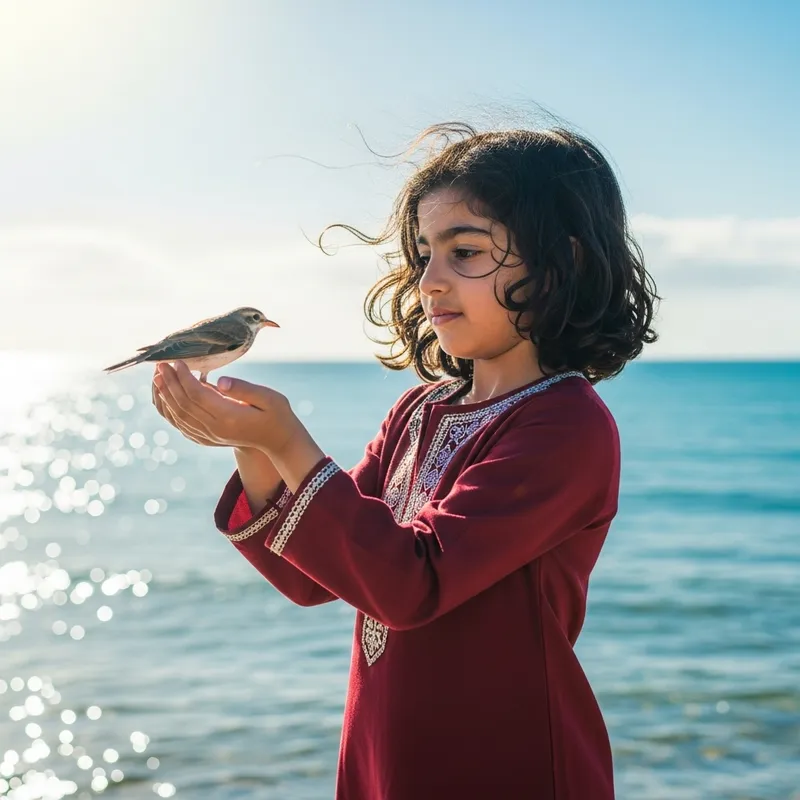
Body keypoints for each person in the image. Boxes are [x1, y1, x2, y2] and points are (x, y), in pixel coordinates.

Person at [152, 122, 659, 799]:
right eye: (424, 255)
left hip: (507, 763)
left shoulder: (565, 425)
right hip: (384, 758)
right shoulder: (419, 412)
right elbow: (308, 576)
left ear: (559, 264)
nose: (431, 281)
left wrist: (286, 443)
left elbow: (412, 584)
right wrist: (251, 441)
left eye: (466, 251)